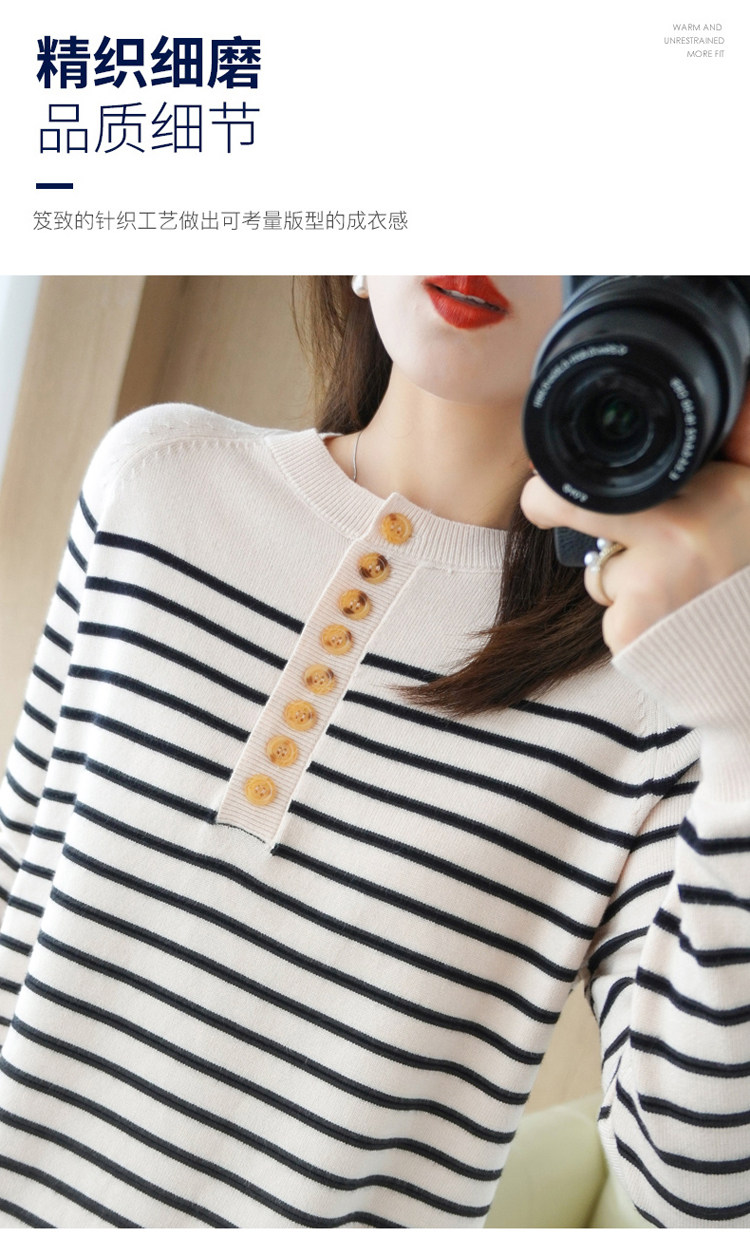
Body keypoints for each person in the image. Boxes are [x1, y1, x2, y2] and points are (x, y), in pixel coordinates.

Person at [0, 274, 748, 1228]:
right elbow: (17, 894)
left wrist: (740, 721)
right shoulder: (154, 480)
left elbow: (693, 1187)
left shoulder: (669, 692)